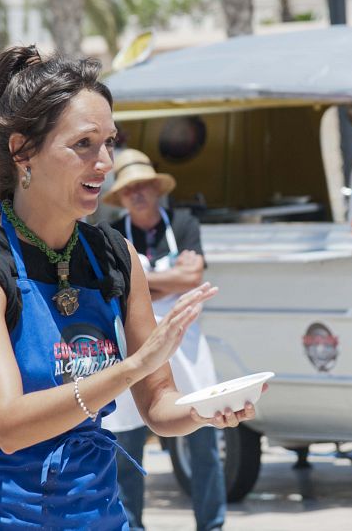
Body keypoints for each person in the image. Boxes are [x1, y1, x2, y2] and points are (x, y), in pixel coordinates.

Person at [0, 45, 259, 530]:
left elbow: (159, 407)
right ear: (23, 151)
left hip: (96, 512)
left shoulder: (114, 256)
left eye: (109, 142)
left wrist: (206, 412)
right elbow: (9, 424)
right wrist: (132, 367)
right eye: (83, 144)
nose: (104, 162)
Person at [100, 149, 226, 531]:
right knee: (128, 448)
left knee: (204, 442)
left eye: (142, 186)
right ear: (120, 197)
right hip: (135, 346)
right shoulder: (113, 236)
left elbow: (194, 279)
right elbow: (117, 290)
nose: (136, 195)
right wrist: (164, 283)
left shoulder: (185, 222)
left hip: (186, 348)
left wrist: (139, 281)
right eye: (128, 189)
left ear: (156, 189)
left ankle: (213, 524)